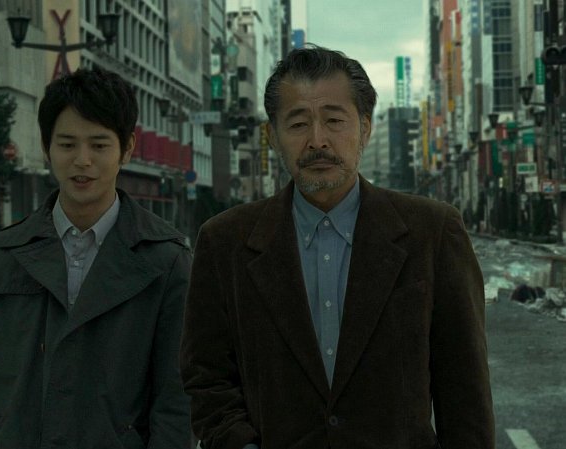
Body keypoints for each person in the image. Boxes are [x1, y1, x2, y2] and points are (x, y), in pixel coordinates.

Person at [180, 46, 495, 449]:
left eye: (334, 120)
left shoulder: (431, 232)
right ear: (272, 136)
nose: (318, 141)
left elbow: (465, 389)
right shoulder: (225, 242)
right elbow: (205, 375)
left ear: (365, 128)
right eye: (298, 124)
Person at [0, 68, 192, 449]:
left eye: (99, 145)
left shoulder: (166, 261)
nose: (82, 160)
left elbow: (177, 401)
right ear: (47, 147)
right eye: (68, 144)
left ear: (127, 148)